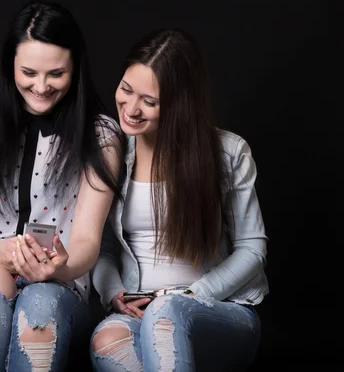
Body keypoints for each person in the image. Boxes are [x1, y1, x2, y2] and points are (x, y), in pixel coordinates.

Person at [0, 0, 125, 371]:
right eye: (29, 72)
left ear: (75, 70)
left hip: (60, 295)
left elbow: (85, 242)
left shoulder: (101, 137)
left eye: (56, 74)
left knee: (40, 303)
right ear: (10, 68)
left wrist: (57, 269)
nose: (41, 86)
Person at [89, 28, 269, 372]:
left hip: (219, 312)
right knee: (107, 341)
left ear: (180, 103)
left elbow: (253, 247)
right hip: (137, 309)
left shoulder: (228, 153)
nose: (131, 108)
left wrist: (192, 294)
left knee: (166, 314)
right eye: (126, 90)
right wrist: (114, 293)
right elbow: (104, 248)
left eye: (150, 102)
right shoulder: (112, 154)